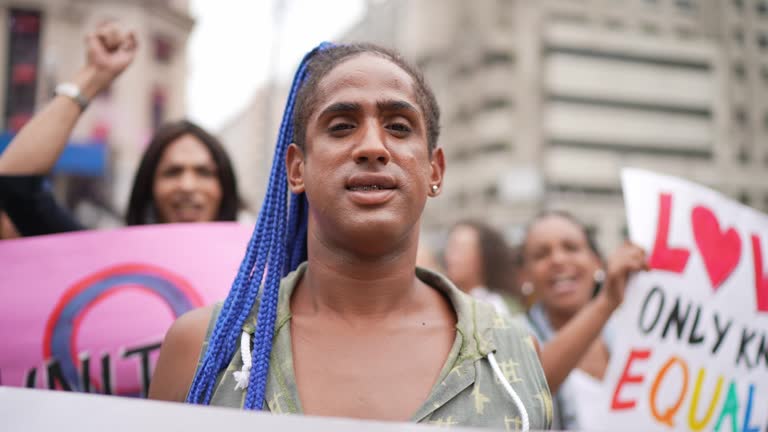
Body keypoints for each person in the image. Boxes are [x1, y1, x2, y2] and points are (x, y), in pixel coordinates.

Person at [149, 43, 553, 430]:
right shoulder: (202, 350)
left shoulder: (511, 355)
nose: (373, 147)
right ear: (296, 169)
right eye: (341, 127)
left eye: (398, 127)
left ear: (435, 170)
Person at [0, 22, 240, 233]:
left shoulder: (266, 275)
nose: (188, 186)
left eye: (204, 172)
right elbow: (15, 181)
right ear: (148, 188)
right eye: (172, 172)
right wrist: (95, 75)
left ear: (225, 189)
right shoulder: (109, 261)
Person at [519, 210, 647, 430]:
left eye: (571, 248)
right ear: (525, 276)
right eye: (541, 254)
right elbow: (529, 389)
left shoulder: (633, 331)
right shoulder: (510, 335)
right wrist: (606, 302)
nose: (558, 259)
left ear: (596, 262)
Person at [444, 220, 525, 316]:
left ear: (484, 256)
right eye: (450, 247)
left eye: (459, 249)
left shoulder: (500, 307)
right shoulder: (443, 302)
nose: (450, 257)